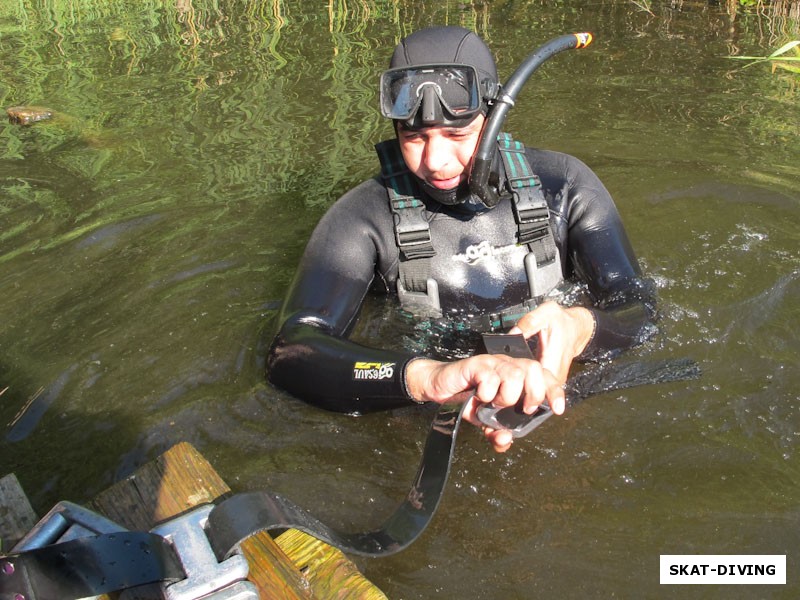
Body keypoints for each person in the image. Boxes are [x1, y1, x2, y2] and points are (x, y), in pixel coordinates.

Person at [266, 26, 656, 452]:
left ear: (492, 119)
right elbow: (292, 351)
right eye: (414, 137)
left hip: (567, 401)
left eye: (457, 135)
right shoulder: (362, 218)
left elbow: (641, 310)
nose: (435, 161)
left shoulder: (565, 186)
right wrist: (429, 379)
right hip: (427, 421)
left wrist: (583, 326)